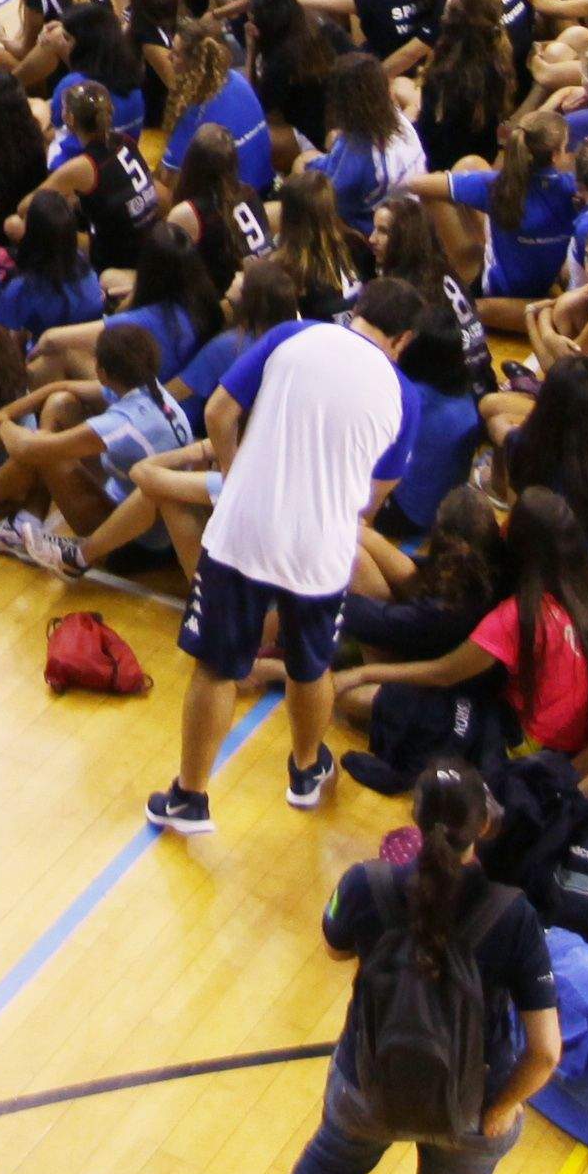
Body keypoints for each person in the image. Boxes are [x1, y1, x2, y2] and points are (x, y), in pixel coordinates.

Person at [234, 755, 561, 1174]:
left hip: (369, 1083)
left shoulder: (365, 883)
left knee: (327, 1169)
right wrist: (499, 1109)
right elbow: (547, 1051)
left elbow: (333, 946)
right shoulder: (513, 916)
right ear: (483, 829)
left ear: (413, 818)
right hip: (469, 1105)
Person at [153, 278, 423, 834]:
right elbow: (374, 497)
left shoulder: (292, 335)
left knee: (217, 668)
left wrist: (236, 476)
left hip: (245, 531)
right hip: (322, 546)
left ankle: (190, 797)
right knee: (312, 663)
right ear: (404, 339)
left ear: (357, 312)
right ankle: (305, 771)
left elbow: (219, 412)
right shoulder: (405, 395)